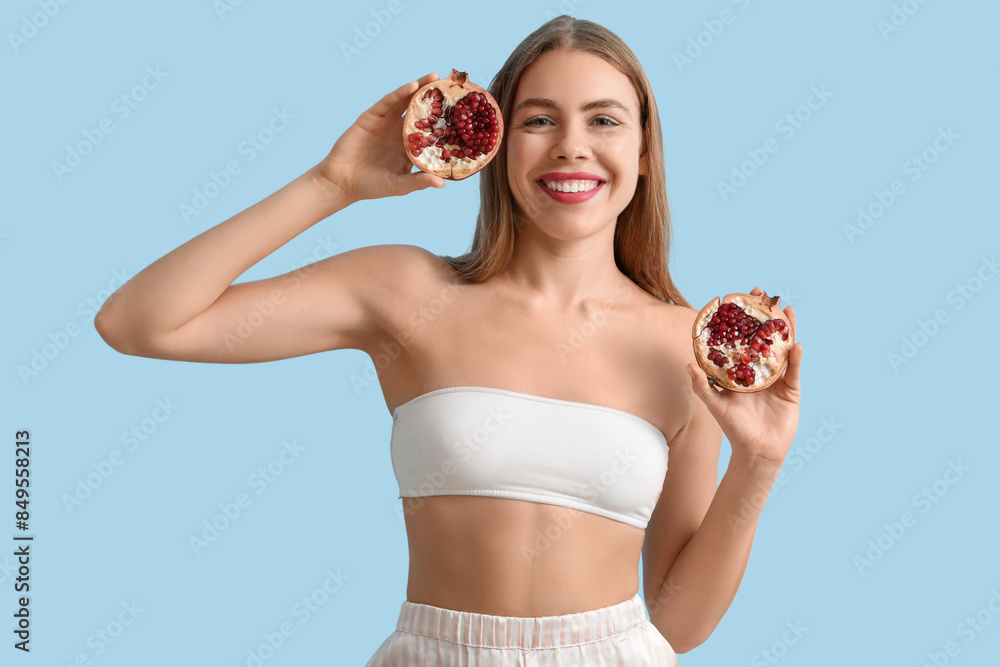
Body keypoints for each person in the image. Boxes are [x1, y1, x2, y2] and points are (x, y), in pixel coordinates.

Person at [95, 14, 803, 667]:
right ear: (493, 141)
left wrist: (759, 464)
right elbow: (139, 321)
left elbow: (678, 623)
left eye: (604, 120)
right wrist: (332, 182)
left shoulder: (688, 346)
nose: (572, 146)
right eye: (538, 119)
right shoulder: (405, 290)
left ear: (644, 150)